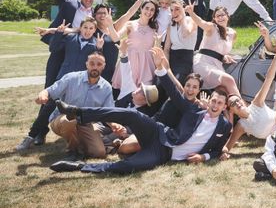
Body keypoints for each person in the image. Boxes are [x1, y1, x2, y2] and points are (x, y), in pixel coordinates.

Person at [49, 47, 232, 174]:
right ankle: (78, 112)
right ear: (210, 101)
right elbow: (174, 92)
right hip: (159, 132)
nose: (215, 105)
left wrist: (204, 156)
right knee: (131, 114)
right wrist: (160, 68)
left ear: (224, 106)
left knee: (131, 165)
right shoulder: (194, 111)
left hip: (163, 153)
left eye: (219, 103)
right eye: (213, 101)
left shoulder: (224, 127)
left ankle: (78, 167)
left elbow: (217, 149)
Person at [16, 0, 97, 151]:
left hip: (81, 55)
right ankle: (40, 132)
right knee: (51, 92)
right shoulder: (69, 3)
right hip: (61, 51)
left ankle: (77, 129)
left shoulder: (96, 14)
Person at [33, 51, 115, 159]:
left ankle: (83, 146)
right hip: (62, 119)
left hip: (86, 123)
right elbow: (50, 91)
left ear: (104, 66)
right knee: (69, 121)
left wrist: (114, 125)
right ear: (86, 64)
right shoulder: (71, 78)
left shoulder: (106, 88)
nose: (95, 67)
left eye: (99, 64)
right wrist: (42, 96)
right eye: (92, 63)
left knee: (98, 153)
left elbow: (108, 112)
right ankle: (72, 152)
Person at [188, 3, 240, 97]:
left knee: (223, 91)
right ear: (214, 19)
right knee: (229, 80)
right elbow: (201, 22)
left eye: (222, 15)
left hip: (217, 65)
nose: (220, 18)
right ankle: (246, 110)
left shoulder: (233, 33)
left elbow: (223, 49)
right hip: (203, 63)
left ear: (228, 16)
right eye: (217, 16)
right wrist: (191, 13)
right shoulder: (212, 28)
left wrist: (225, 55)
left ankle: (231, 111)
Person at [111, 0, 159, 92]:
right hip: (130, 63)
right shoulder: (130, 24)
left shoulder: (155, 28)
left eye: (152, 10)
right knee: (125, 93)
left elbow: (156, 48)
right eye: (147, 8)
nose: (149, 12)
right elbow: (116, 37)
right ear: (141, 8)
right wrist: (109, 24)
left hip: (147, 65)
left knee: (143, 94)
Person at [163, 0, 197, 83]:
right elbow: (166, 48)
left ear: (183, 9)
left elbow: (186, 33)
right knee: (161, 83)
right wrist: (166, 66)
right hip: (172, 58)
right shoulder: (170, 25)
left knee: (176, 83)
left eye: (177, 9)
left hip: (185, 59)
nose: (174, 12)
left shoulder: (191, 20)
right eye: (171, 10)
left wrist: (183, 16)